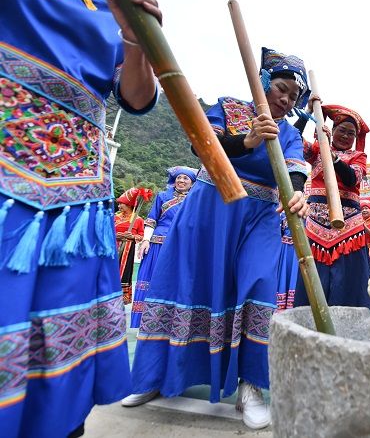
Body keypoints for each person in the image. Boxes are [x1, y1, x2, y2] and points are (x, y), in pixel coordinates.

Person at [0, 0, 167, 436]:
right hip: (8, 176)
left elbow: (136, 97)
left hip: (77, 205)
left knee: (58, 353)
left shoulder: (123, 7)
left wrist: (136, 38)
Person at [123, 47, 311, 431]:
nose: (286, 99)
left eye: (294, 96)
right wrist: (247, 141)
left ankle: (251, 387)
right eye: (281, 88)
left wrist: (297, 191)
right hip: (210, 207)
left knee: (258, 285)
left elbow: (294, 171)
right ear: (262, 82)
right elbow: (201, 144)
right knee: (185, 285)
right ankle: (154, 377)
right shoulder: (229, 108)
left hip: (258, 216)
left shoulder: (290, 133)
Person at [293, 102, 370, 317]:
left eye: (351, 133)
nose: (345, 136)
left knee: (350, 276)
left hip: (348, 227)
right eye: (341, 130)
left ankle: (351, 320)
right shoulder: (317, 150)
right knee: (314, 274)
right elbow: (292, 138)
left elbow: (352, 177)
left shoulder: (358, 157)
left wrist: (333, 158)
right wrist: (307, 114)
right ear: (332, 131)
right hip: (316, 225)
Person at [130, 166, 196, 328]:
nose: (181, 181)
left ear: (192, 183)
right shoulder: (162, 196)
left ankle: (169, 322)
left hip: (180, 246)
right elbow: (152, 220)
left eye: (185, 178)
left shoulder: (195, 200)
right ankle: (143, 322)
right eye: (179, 178)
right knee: (150, 279)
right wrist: (145, 240)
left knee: (173, 281)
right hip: (157, 245)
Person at [115, 187, 147, 304]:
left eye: (121, 204)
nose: (119, 207)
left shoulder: (138, 220)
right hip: (114, 246)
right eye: (119, 204)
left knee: (124, 271)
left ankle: (122, 297)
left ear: (129, 204)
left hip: (128, 249)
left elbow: (141, 236)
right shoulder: (115, 217)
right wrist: (116, 235)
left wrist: (132, 236)